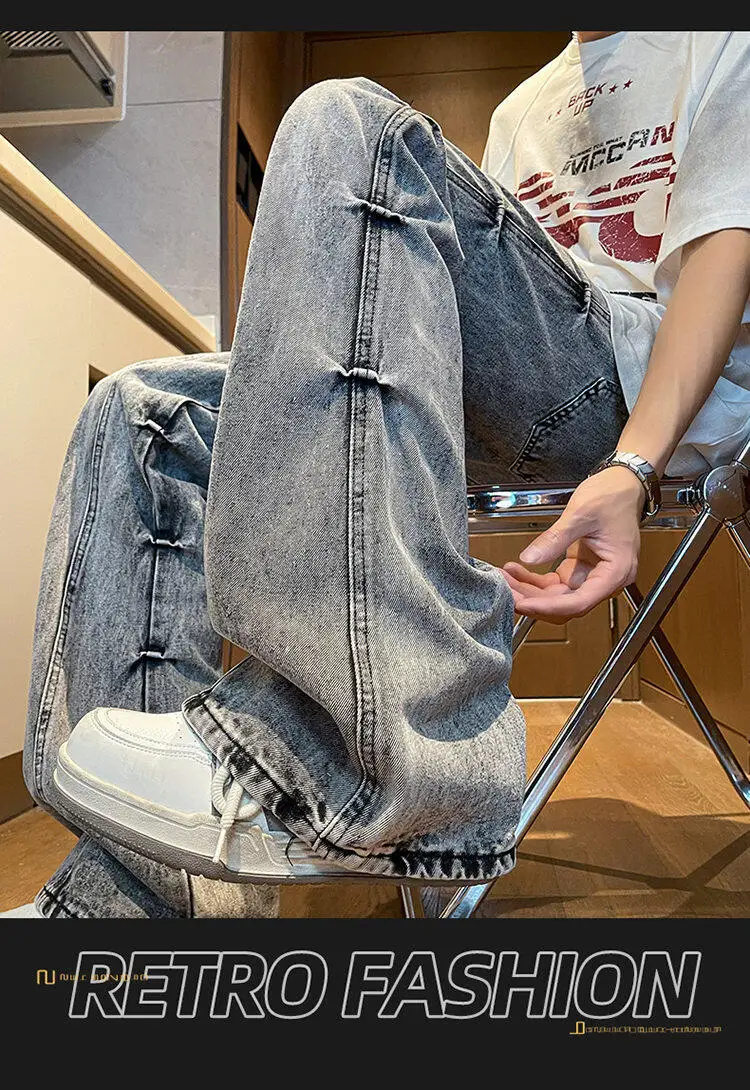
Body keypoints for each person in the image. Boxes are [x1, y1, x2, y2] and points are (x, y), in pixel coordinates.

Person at [4, 30, 750, 918]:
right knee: (144, 408)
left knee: (350, 122)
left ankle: (351, 767)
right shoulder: (525, 105)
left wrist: (635, 462)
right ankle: (145, 899)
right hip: (510, 396)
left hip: (638, 381)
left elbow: (726, 252)